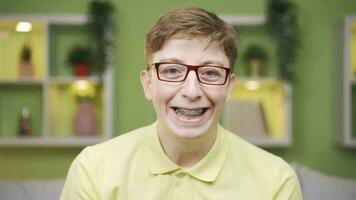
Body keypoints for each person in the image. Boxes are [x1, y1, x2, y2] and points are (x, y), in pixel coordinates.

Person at [60, 7, 302, 200]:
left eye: (210, 73)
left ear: (229, 87)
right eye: (173, 70)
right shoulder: (93, 170)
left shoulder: (276, 181)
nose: (192, 91)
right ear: (148, 84)